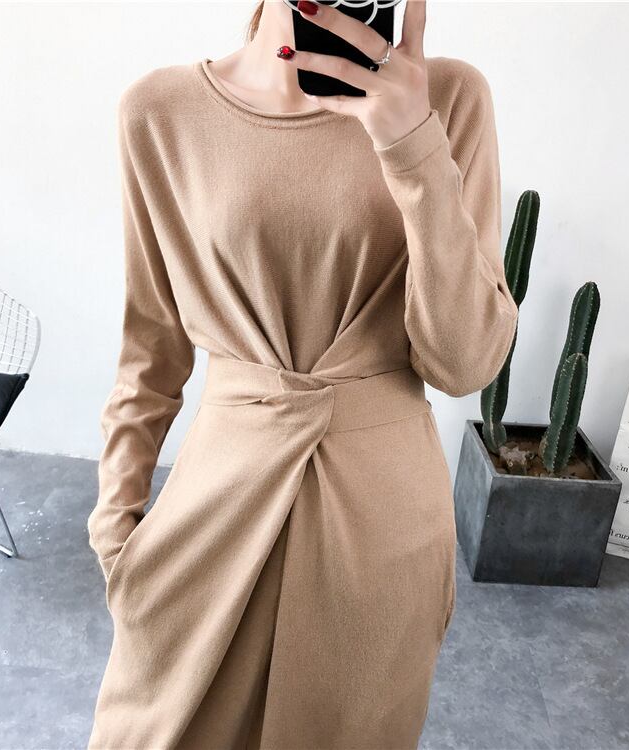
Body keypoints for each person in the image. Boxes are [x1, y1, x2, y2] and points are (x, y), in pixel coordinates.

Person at [86, 0, 519, 747]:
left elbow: (465, 362)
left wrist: (412, 145)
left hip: (381, 534)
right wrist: (115, 531)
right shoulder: (159, 112)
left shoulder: (450, 98)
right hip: (211, 514)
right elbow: (149, 350)